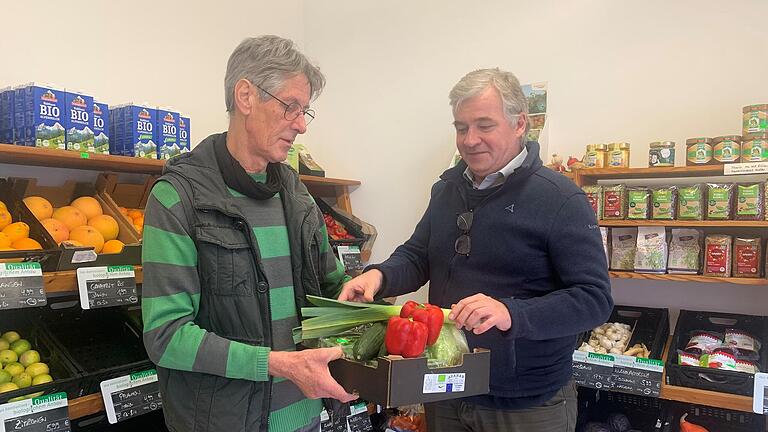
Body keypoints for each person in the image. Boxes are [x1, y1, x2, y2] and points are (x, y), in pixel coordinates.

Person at [339, 68, 613, 432]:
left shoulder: (561, 198)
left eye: (484, 125)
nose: (470, 140)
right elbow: (419, 254)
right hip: (447, 386)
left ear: (520, 125)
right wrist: (379, 275)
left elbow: (593, 299)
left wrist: (510, 313)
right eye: (460, 127)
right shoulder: (447, 190)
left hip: (526, 403)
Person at [142, 35, 356, 432]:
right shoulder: (178, 198)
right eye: (291, 106)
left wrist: (360, 296)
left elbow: (330, 284)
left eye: (305, 111)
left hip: (308, 416)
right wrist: (275, 364)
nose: (300, 125)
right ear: (246, 96)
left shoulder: (296, 193)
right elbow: (166, 336)